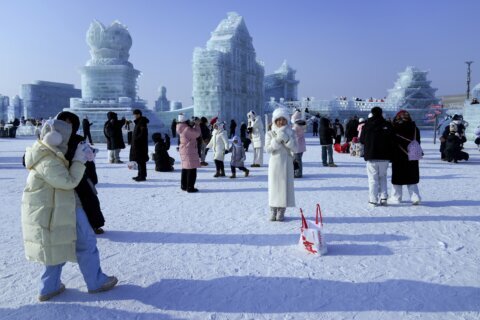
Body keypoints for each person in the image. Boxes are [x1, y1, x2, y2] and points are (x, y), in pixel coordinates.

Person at [22, 119, 117, 302]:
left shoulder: (48, 153)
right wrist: (79, 160)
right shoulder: (47, 159)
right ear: (54, 137)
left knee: (57, 247)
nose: (67, 142)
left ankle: (49, 287)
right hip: (57, 210)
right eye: (65, 138)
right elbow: (68, 182)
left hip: (59, 208)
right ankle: (95, 282)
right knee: (85, 243)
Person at [57, 111, 106, 235]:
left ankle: (95, 224)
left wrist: (92, 178)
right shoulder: (52, 139)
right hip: (58, 176)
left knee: (89, 201)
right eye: (64, 122)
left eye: (70, 123)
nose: (67, 125)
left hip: (79, 176)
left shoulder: (79, 140)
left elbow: (89, 162)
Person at [265, 108, 297, 222]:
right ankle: (273, 209)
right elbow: (268, 149)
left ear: (287, 120)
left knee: (284, 187)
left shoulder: (291, 132)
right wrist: (277, 140)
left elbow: (295, 148)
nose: (281, 122)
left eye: (283, 119)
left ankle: (281, 210)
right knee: (274, 186)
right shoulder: (270, 133)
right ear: (274, 120)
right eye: (279, 119)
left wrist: (287, 138)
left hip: (287, 163)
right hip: (274, 163)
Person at [359, 106, 394, 207]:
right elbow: (392, 139)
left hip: (371, 155)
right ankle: (384, 198)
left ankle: (373, 200)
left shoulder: (367, 125)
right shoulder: (387, 124)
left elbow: (362, 140)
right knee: (383, 177)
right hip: (385, 156)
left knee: (373, 179)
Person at [389, 110, 421, 205]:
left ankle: (396, 197)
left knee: (398, 178)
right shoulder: (415, 128)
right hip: (413, 155)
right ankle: (415, 197)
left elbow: (392, 142)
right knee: (411, 178)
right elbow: (418, 141)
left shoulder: (395, 128)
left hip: (398, 155)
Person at [177, 114, 201, 192]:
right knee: (192, 169)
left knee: (185, 168)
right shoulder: (187, 129)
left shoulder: (180, 127)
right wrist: (197, 125)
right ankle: (190, 187)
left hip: (184, 150)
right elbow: (197, 134)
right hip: (189, 150)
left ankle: (184, 186)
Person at [130, 109, 149, 181]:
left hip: (140, 145)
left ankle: (142, 176)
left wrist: (136, 140)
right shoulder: (139, 122)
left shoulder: (142, 122)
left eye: (135, 114)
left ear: (139, 114)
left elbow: (143, 134)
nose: (134, 116)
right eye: (134, 114)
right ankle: (140, 174)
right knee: (139, 160)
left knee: (141, 161)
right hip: (138, 144)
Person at [291, 109, 307, 178]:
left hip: (297, 145)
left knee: (297, 160)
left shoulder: (296, 126)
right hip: (301, 145)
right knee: (298, 160)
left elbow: (293, 134)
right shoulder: (302, 124)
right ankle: (298, 172)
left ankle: (298, 173)